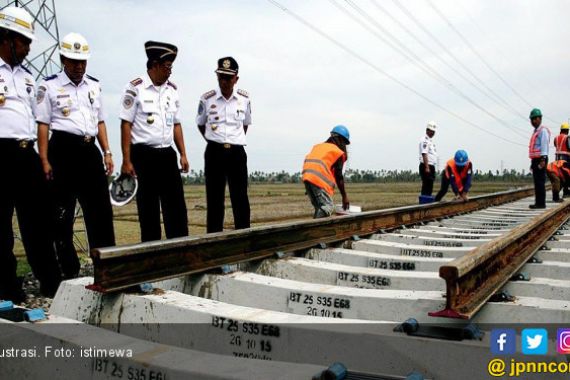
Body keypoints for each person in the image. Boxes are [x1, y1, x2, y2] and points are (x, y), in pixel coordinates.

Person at [36, 32, 116, 279]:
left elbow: (100, 121)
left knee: (101, 213)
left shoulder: (94, 85)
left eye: (83, 62)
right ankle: (69, 272)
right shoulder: (49, 86)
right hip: (63, 151)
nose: (79, 66)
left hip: (89, 151)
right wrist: (44, 159)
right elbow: (43, 125)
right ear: (63, 59)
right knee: (62, 216)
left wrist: (108, 152)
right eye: (73, 61)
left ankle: (107, 270)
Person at [0, 6, 62, 301]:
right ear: (7, 38)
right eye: (23, 42)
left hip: (26, 155)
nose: (27, 48)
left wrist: (41, 156)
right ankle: (7, 291)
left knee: (38, 223)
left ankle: (51, 285)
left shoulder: (26, 77)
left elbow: (36, 118)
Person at [119, 41, 189, 242]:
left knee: (176, 208)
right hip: (143, 155)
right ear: (155, 65)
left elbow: (176, 124)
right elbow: (126, 124)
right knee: (148, 210)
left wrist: (183, 153)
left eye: (171, 68)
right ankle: (153, 259)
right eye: (167, 67)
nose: (170, 72)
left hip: (167, 154)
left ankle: (180, 252)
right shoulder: (135, 88)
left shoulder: (172, 90)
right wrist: (126, 160)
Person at [196, 56, 252, 233]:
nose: (224, 81)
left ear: (236, 78)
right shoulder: (207, 99)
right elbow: (200, 123)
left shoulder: (244, 99)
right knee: (214, 200)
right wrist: (216, 140)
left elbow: (245, 124)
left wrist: (233, 140)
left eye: (228, 77)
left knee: (240, 199)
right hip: (214, 152)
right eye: (221, 77)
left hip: (237, 152)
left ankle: (244, 239)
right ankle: (214, 241)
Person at [302, 125, 350, 218]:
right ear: (340, 139)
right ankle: (313, 227)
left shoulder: (319, 147)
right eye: (344, 142)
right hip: (317, 179)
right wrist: (344, 196)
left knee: (319, 207)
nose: (344, 145)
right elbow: (339, 176)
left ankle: (316, 229)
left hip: (307, 177)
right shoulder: (337, 151)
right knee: (328, 207)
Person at [528, 108, 551, 209]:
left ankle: (541, 204)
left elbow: (544, 145)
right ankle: (538, 202)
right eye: (532, 119)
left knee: (540, 182)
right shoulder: (536, 131)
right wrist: (532, 162)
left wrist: (543, 159)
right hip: (536, 159)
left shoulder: (543, 131)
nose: (533, 121)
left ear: (540, 118)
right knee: (537, 182)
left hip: (541, 159)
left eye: (535, 118)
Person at [419, 121, 438, 198]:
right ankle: (423, 204)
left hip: (431, 165)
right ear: (427, 130)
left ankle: (427, 202)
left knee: (429, 186)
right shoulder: (425, 140)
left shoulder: (430, 141)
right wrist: (427, 167)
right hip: (426, 165)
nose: (433, 133)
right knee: (426, 186)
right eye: (431, 131)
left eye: (434, 131)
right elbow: (424, 153)